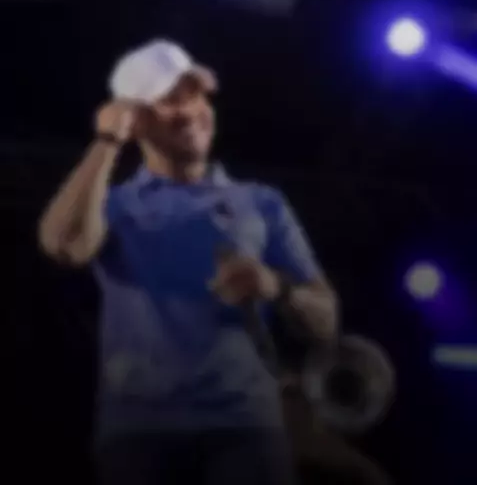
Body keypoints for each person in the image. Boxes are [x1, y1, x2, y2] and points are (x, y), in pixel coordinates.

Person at [38, 39, 338, 485]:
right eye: (170, 100)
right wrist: (107, 140)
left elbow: (326, 321)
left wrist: (275, 285)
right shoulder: (114, 206)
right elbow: (63, 245)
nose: (191, 111)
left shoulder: (261, 202)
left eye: (195, 95)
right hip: (139, 432)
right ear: (136, 118)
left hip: (245, 426)